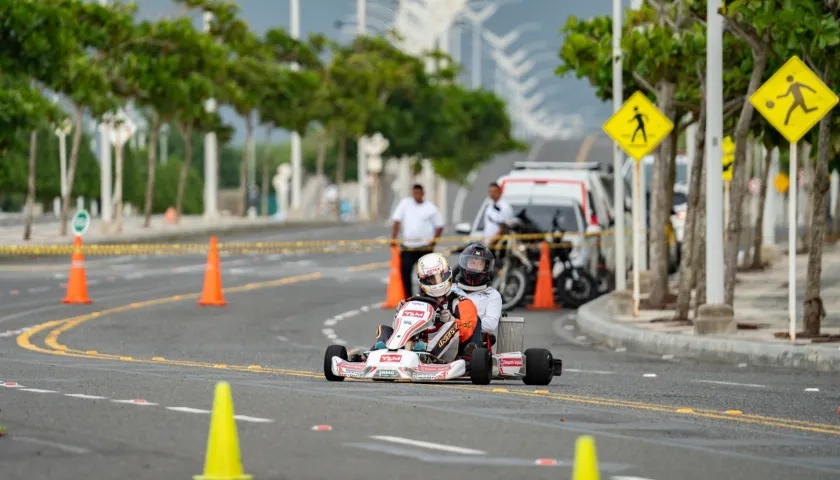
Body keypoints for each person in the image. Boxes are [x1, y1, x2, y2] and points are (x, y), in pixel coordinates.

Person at [373, 253, 481, 357]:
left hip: (445, 353)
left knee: (450, 326)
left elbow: (467, 332)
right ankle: (383, 352)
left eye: (439, 276)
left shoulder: (462, 303)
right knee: (384, 329)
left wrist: (451, 319)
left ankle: (427, 354)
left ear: (448, 274)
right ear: (423, 280)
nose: (435, 282)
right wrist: (401, 312)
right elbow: (399, 328)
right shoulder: (415, 300)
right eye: (430, 279)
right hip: (416, 342)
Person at [390, 184, 444, 298]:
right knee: (405, 270)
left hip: (424, 247)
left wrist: (433, 242)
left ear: (423, 194)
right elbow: (396, 220)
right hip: (408, 246)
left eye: (419, 193)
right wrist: (393, 237)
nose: (417, 195)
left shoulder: (430, 207)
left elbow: (439, 225)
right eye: (415, 193)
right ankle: (407, 295)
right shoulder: (405, 204)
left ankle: (424, 295)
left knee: (425, 273)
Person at [454, 243, 503, 338]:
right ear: (464, 264)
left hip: (475, 340)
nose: (475, 267)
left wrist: (462, 324)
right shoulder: (451, 289)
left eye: (480, 264)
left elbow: (490, 325)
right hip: (447, 337)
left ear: (486, 267)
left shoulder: (492, 295)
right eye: (472, 263)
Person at [482, 182, 514, 247]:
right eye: (490, 191)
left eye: (494, 191)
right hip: (487, 243)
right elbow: (487, 226)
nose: (492, 194)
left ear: (500, 192)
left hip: (498, 244)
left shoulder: (505, 207)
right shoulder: (489, 207)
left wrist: (493, 241)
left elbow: (504, 227)